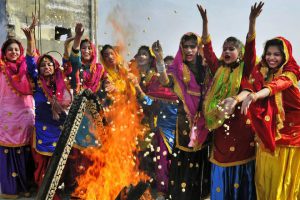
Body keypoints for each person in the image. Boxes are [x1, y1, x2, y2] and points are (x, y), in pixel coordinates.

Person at [199, 2, 263, 199]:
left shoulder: (245, 68)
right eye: (225, 48)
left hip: (242, 131)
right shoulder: (218, 68)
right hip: (220, 130)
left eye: (231, 49)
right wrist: (205, 23)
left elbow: (251, 48)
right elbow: (207, 49)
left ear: (240, 52)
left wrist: (252, 22)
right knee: (220, 174)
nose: (226, 52)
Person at [152, 33, 212, 199]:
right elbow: (165, 81)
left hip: (205, 124)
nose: (189, 50)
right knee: (184, 165)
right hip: (184, 125)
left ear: (198, 47)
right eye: (185, 46)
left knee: (203, 164)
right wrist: (159, 59)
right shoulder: (178, 68)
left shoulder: (206, 68)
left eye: (193, 46)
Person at [240, 36, 300, 200]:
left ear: (285, 57)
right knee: (264, 180)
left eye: (277, 55)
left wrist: (255, 96)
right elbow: (249, 70)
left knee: (282, 183)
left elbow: (276, 86)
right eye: (269, 54)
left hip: (291, 138)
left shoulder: (290, 73)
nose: (272, 58)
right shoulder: (263, 73)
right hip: (268, 134)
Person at [22, 19, 72, 198]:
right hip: (42, 129)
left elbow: (68, 65)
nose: (46, 67)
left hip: (60, 128)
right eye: (43, 65)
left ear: (54, 66)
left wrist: (67, 45)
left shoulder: (61, 81)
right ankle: (45, 193)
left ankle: (57, 192)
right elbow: (29, 61)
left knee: (60, 164)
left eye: (49, 64)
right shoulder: (36, 81)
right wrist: (30, 38)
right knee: (42, 164)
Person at [65, 23, 107, 197]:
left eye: (89, 48)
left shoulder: (99, 69)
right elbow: (73, 57)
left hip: (95, 114)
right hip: (79, 113)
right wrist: (77, 37)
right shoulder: (76, 67)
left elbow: (107, 87)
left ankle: (93, 185)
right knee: (77, 152)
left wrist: (110, 87)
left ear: (93, 50)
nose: (86, 50)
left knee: (94, 152)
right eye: (83, 48)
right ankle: (77, 187)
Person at [133, 46, 178, 199]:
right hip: (164, 129)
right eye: (166, 66)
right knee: (162, 161)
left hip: (183, 129)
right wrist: (137, 87)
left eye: (173, 66)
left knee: (179, 162)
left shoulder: (185, 87)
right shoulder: (158, 85)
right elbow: (148, 101)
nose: (169, 69)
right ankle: (162, 192)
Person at [0, 38, 35, 198]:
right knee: (9, 151)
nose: (13, 52)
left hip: (25, 116)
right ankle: (11, 189)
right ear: (4, 53)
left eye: (16, 49)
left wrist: (30, 39)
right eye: (10, 50)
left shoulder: (26, 68)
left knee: (26, 152)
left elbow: (32, 58)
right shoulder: (1, 69)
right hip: (6, 118)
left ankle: (26, 187)